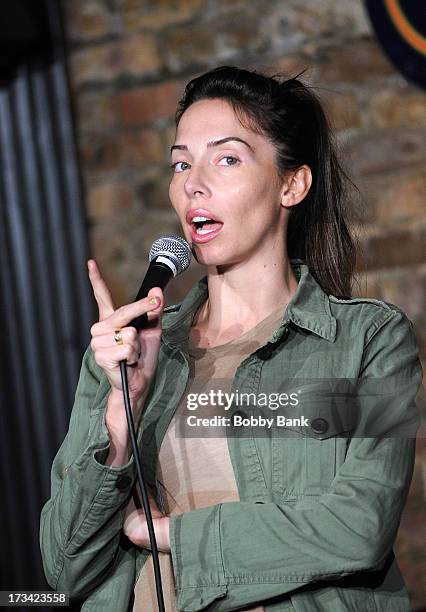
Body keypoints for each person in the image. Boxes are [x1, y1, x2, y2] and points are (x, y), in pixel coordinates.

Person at [40, 66, 423, 612]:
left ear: (292, 184)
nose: (193, 182)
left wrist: (171, 536)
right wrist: (121, 426)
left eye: (226, 158)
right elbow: (63, 569)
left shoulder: (369, 341)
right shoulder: (125, 353)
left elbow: (360, 526)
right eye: (181, 162)